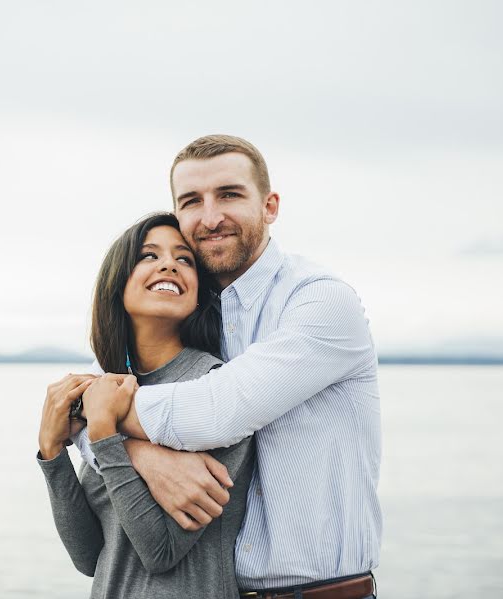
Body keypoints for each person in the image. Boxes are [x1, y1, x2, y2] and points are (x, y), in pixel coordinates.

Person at [76, 135, 381, 598]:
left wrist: (96, 419)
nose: (211, 217)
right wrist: (137, 453)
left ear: (270, 206)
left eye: (230, 194)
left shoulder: (319, 301)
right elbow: (104, 398)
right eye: (192, 201)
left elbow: (217, 412)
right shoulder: (194, 318)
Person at [37, 212, 254, 598]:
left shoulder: (213, 388)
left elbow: (161, 552)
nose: (169, 264)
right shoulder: (106, 390)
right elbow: (89, 557)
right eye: (149, 255)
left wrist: (105, 434)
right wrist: (53, 454)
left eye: (184, 259)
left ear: (199, 290)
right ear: (118, 280)